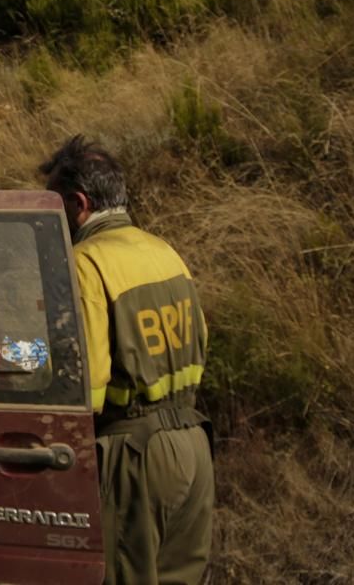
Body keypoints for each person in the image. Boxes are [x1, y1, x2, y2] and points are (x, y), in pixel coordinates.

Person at [40, 136, 213, 584]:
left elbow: (88, 387)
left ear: (78, 202)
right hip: (194, 445)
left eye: (54, 207)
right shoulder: (163, 251)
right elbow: (200, 343)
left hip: (134, 454)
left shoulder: (85, 263)